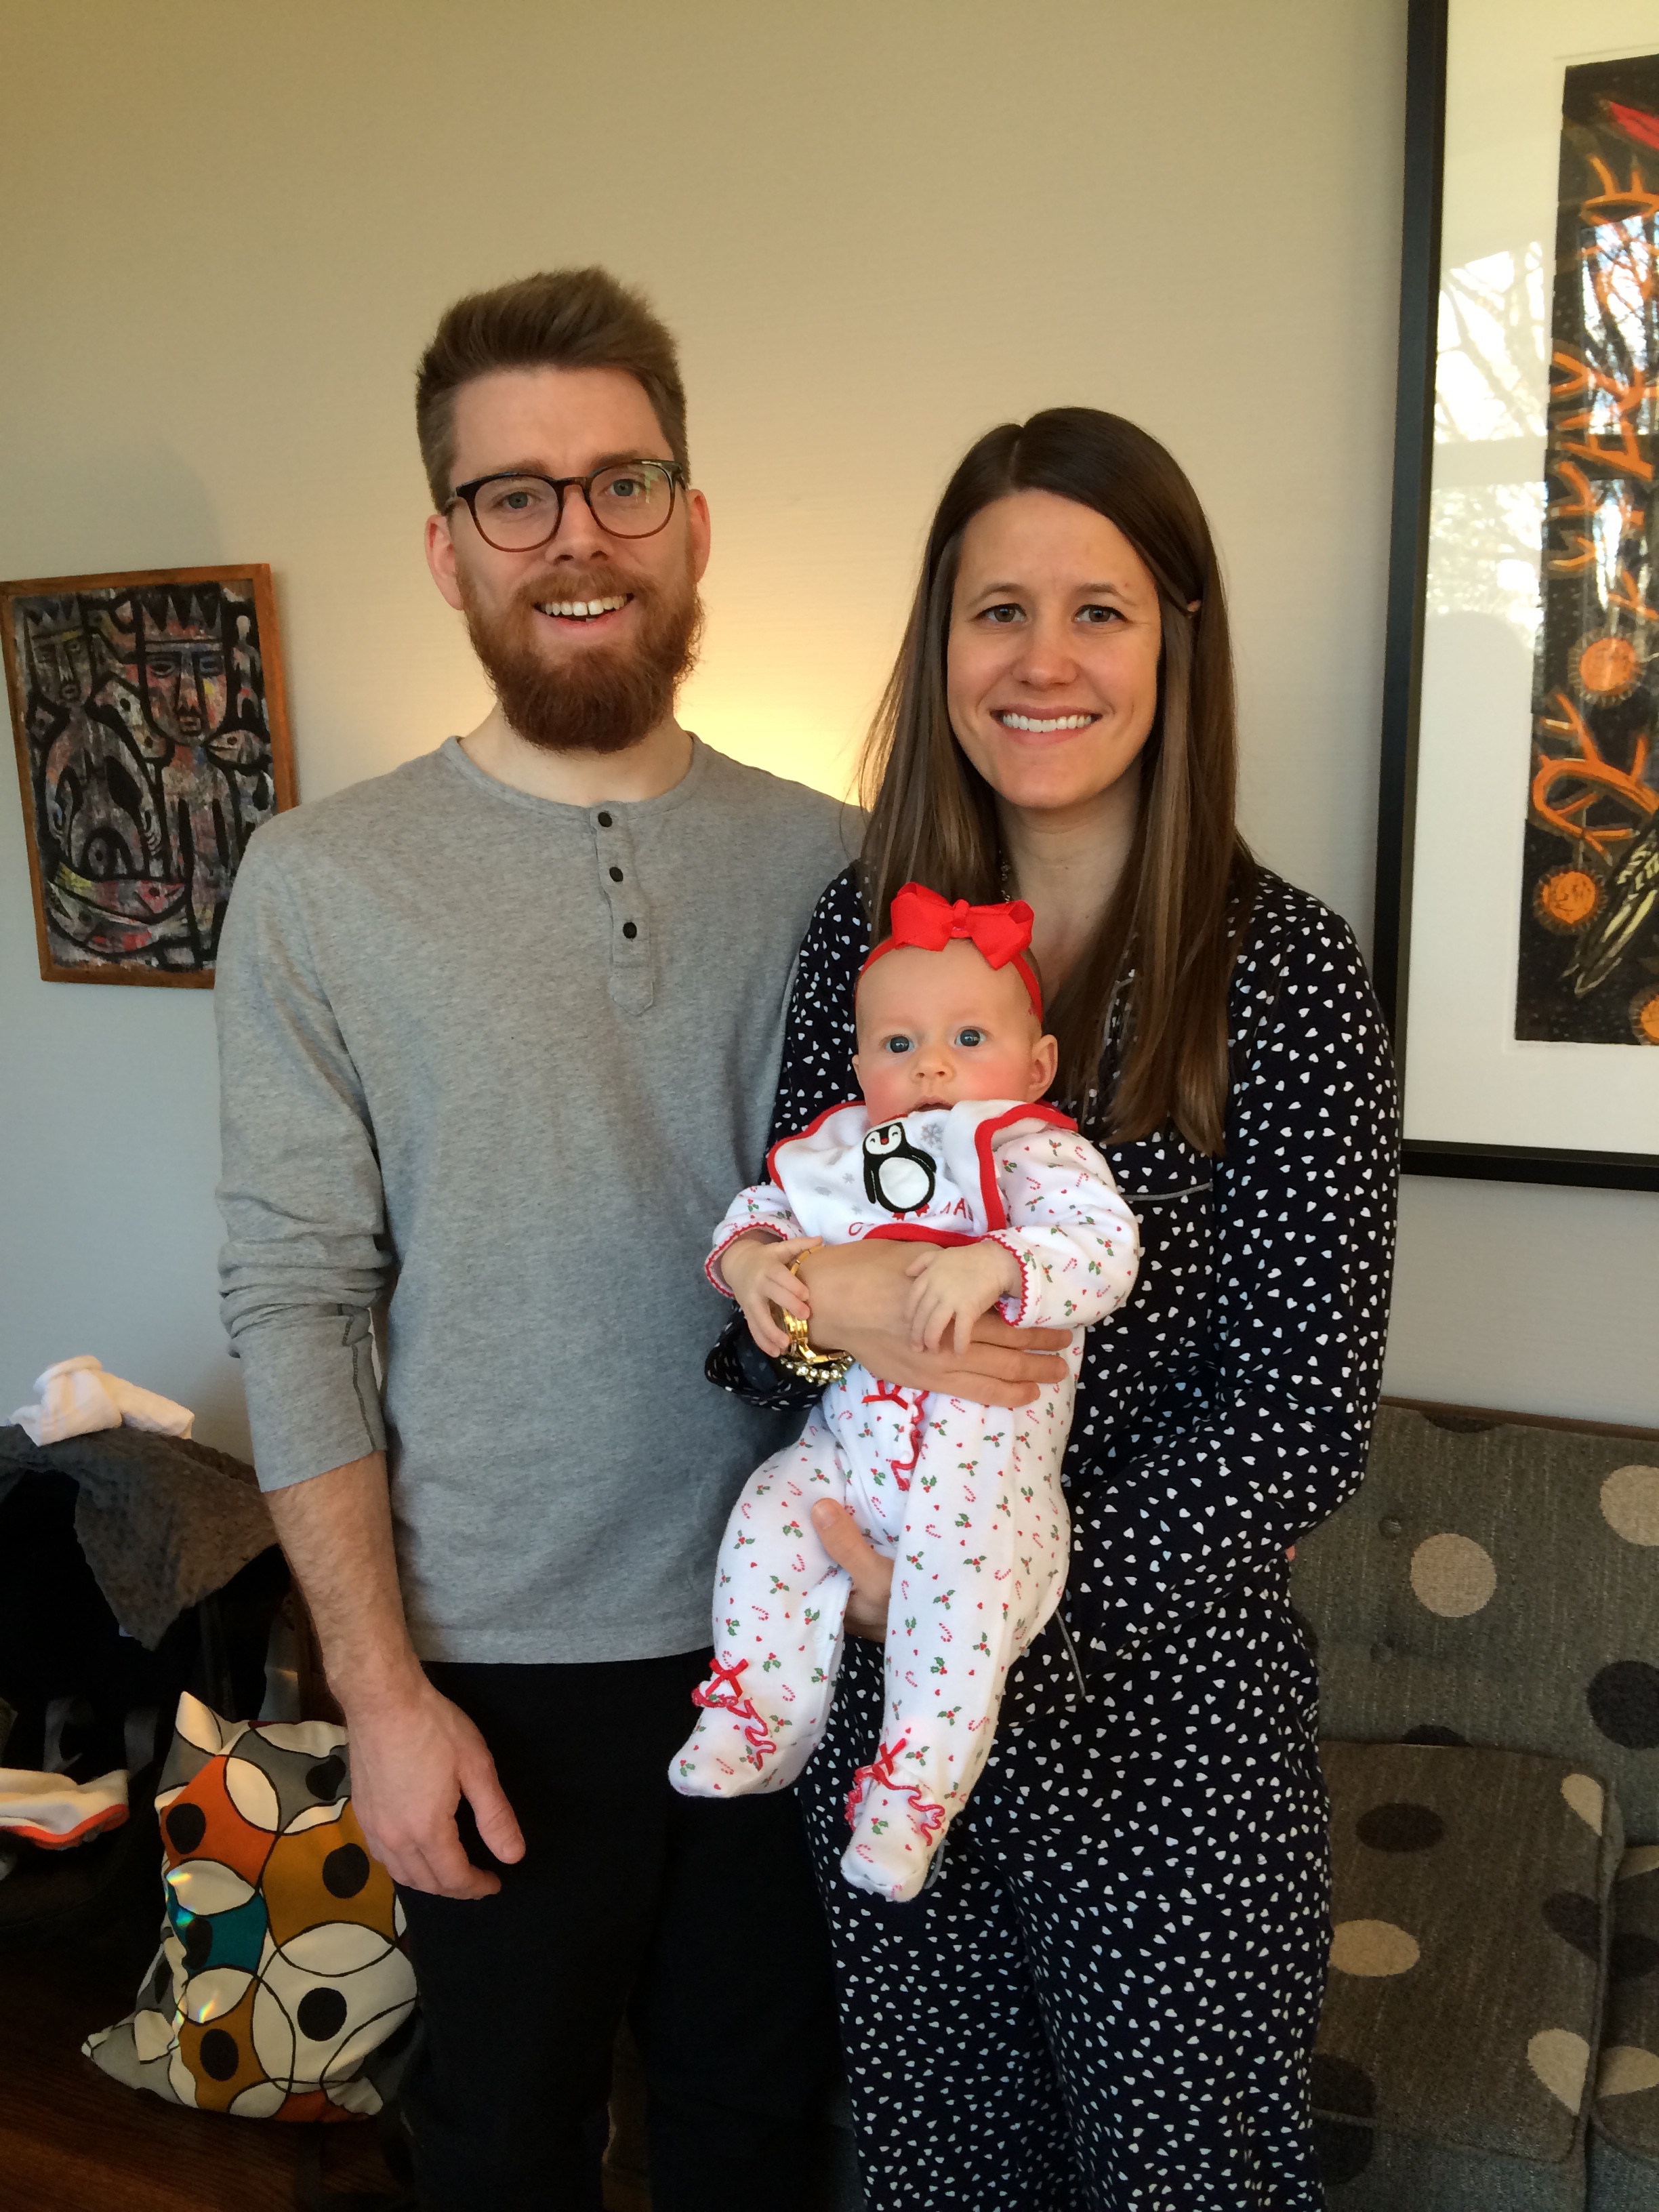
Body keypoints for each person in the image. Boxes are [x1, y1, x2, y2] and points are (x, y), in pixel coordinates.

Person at [213, 267, 878, 2212]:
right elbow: (297, 1299)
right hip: (491, 1669)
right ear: (448, 549)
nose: (576, 536)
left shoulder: (839, 863)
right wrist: (379, 1696)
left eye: (622, 482)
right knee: (499, 2155)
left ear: (693, 522)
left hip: (795, 1630)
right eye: (517, 495)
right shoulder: (319, 885)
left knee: (763, 2147)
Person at [727, 407, 1399, 2209]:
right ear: (940, 643)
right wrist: (817, 1299)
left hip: (1165, 1754)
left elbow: (1298, 1423)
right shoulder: (859, 947)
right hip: (894, 1746)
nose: (1043, 661)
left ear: (1176, 641)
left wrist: (988, 1590)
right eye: (996, 610)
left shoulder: (1289, 979)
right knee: (938, 2178)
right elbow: (762, 1329)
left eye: (1097, 611)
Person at [672, 883, 1140, 1901]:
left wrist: (1003, 1262)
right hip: (848, 1453)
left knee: (956, 1606)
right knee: (767, 1515)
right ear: (859, 1067)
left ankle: (914, 1789)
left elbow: (1104, 1253)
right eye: (897, 1044)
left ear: (1038, 1066)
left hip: (983, 1481)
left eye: (969, 1038)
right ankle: (756, 1713)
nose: (930, 1065)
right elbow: (759, 1214)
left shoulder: (1033, 1151)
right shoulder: (843, 1156)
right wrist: (751, 1263)